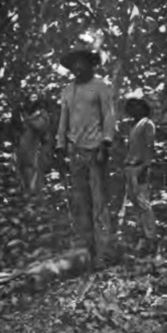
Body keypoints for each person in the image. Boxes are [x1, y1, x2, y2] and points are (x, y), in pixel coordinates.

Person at [55, 46, 115, 268]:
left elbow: (109, 115)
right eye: (74, 65)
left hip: (95, 149)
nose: (78, 68)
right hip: (75, 151)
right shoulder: (67, 91)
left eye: (82, 63)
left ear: (90, 64)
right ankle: (89, 252)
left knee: (99, 201)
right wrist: (60, 147)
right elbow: (64, 120)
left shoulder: (100, 86)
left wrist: (105, 144)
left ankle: (104, 252)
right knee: (81, 202)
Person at [122, 90, 157, 254]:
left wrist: (145, 166)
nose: (133, 110)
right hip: (130, 167)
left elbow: (149, 147)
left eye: (136, 106)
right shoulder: (133, 126)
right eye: (131, 107)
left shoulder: (147, 123)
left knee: (143, 203)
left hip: (139, 167)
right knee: (136, 203)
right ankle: (143, 237)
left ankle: (151, 238)